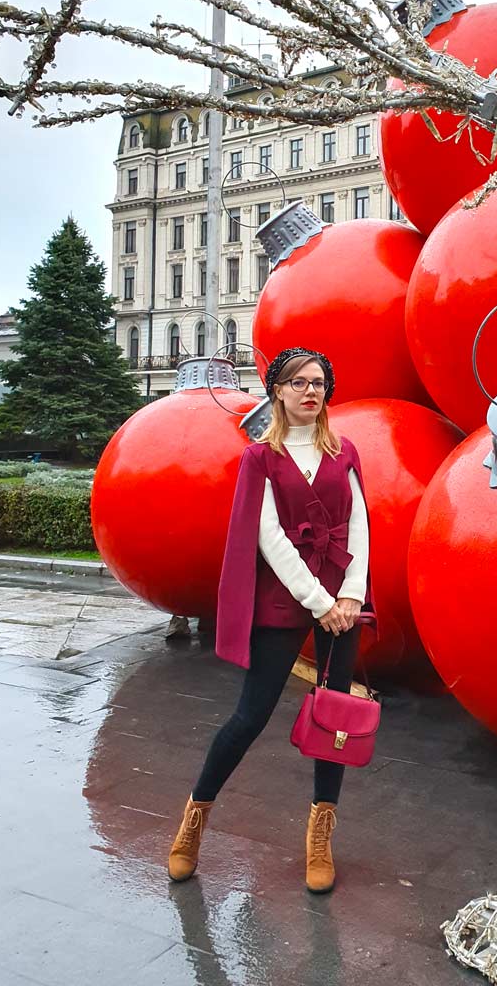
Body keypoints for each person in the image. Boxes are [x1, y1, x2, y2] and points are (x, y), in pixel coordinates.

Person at [167, 347, 375, 893]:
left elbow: (359, 522)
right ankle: (194, 820)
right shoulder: (259, 458)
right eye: (298, 382)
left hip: (343, 601)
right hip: (289, 600)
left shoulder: (344, 450)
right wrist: (321, 602)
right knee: (250, 717)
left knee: (335, 721)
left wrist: (351, 595)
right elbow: (269, 539)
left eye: (319, 382)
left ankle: (319, 838)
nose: (311, 391)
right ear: (277, 391)